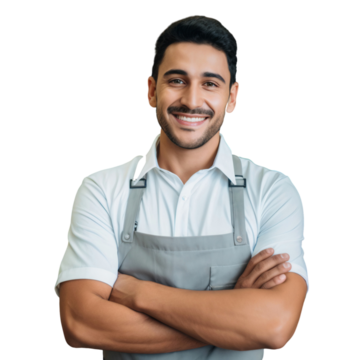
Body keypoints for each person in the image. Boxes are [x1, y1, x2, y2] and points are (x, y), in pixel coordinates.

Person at [55, 13, 308, 358]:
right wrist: (232, 313)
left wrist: (136, 293)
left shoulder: (273, 191)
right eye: (177, 80)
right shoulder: (101, 188)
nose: (191, 100)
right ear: (151, 91)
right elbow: (80, 325)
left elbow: (274, 326)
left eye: (210, 83)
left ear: (232, 98)